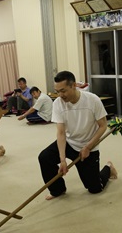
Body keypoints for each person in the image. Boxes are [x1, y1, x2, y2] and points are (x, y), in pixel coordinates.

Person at [38, 71, 117, 200]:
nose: (60, 95)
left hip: (88, 146)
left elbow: (103, 126)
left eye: (63, 91)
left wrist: (88, 147)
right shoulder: (58, 103)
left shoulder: (92, 100)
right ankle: (58, 190)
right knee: (44, 158)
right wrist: (62, 159)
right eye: (57, 91)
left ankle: (108, 168)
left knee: (95, 188)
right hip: (70, 142)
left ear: (73, 85)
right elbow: (61, 132)